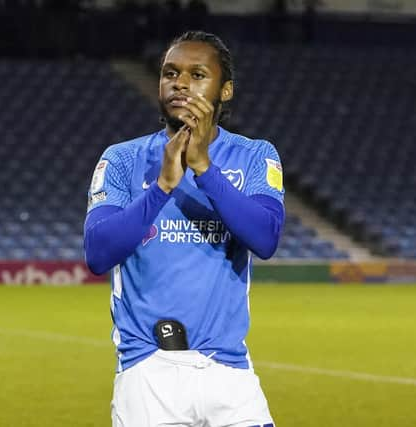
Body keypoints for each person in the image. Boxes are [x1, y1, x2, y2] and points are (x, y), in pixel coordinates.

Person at [84, 31, 284, 427]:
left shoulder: (255, 155)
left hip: (229, 371)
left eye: (197, 75)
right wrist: (161, 187)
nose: (180, 83)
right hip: (148, 373)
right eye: (170, 73)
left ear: (225, 90)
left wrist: (205, 169)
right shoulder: (122, 159)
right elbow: (98, 253)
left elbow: (265, 238)